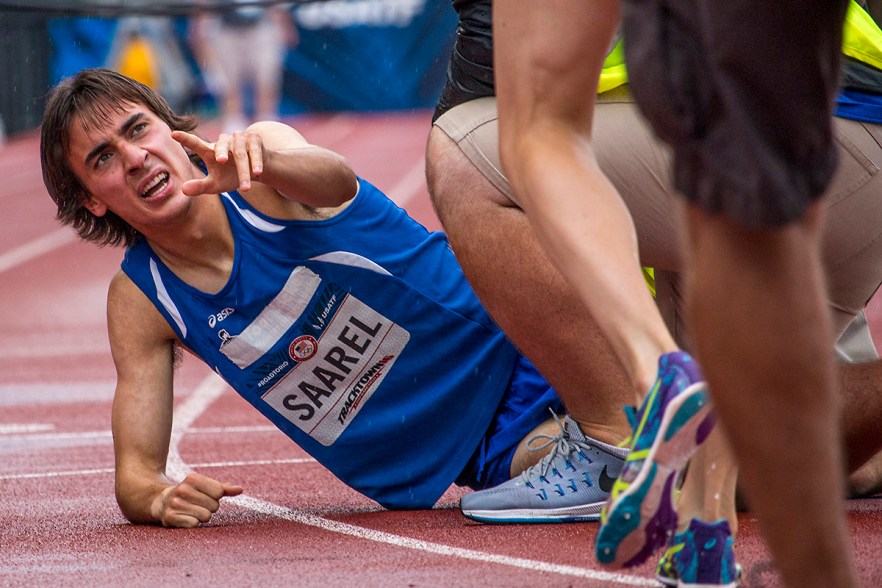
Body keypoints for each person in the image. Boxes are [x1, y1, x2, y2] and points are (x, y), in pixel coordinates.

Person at [39, 67, 636, 527]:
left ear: (170, 127)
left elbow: (335, 178)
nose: (136, 157)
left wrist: (269, 165)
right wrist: (160, 498)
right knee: (664, 473)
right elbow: (136, 475)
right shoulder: (143, 301)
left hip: (523, 334)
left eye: (137, 129)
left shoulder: (262, 163)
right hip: (479, 445)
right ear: (90, 198)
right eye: (104, 158)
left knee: (655, 428)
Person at [426, 0, 882, 585]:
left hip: (794, 135)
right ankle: (706, 532)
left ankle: (652, 382)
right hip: (828, 145)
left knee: (520, 139)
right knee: (742, 214)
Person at [190, 2, 297, 132]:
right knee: (228, 81)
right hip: (226, 27)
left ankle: (267, 121)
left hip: (261, 26)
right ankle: (234, 121)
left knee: (266, 75)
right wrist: (199, 25)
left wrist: (284, 22)